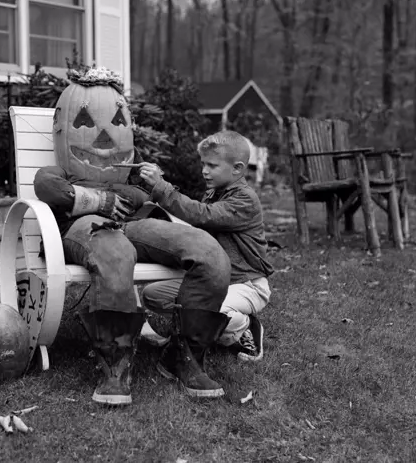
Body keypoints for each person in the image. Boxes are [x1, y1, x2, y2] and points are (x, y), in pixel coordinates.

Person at [33, 66, 232, 405]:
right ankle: (115, 365)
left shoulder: (133, 172)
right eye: (85, 122)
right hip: (85, 228)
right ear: (63, 129)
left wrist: (154, 181)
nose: (104, 137)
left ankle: (185, 356)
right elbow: (46, 186)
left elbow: (158, 197)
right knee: (116, 251)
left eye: (119, 121)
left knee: (209, 252)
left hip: (137, 225)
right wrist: (99, 200)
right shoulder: (62, 170)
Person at [138, 130, 274, 362]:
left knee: (208, 310)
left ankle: (244, 328)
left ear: (237, 169)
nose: (204, 170)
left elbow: (202, 215)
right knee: (153, 295)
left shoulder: (245, 199)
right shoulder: (213, 194)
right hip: (213, 280)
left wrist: (162, 187)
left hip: (246, 284)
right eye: (203, 164)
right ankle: (199, 328)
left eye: (212, 165)